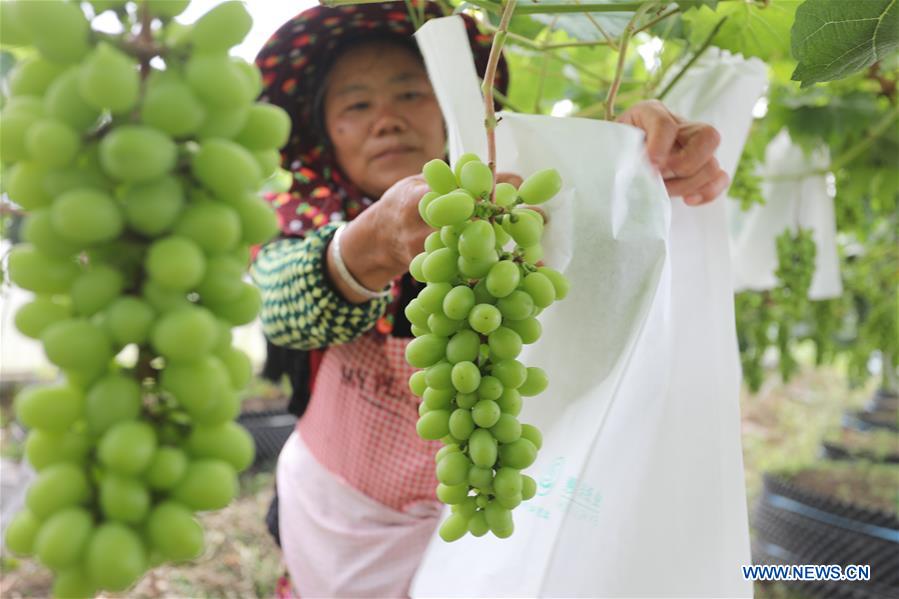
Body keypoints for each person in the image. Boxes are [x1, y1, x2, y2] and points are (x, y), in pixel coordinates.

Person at [250, 3, 730, 597]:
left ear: (449, 107)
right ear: (325, 129)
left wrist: (624, 165)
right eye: (356, 105)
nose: (387, 120)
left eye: (410, 93)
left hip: (478, 531)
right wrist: (367, 246)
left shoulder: (518, 211)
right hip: (337, 517)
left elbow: (601, 269)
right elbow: (278, 302)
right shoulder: (300, 218)